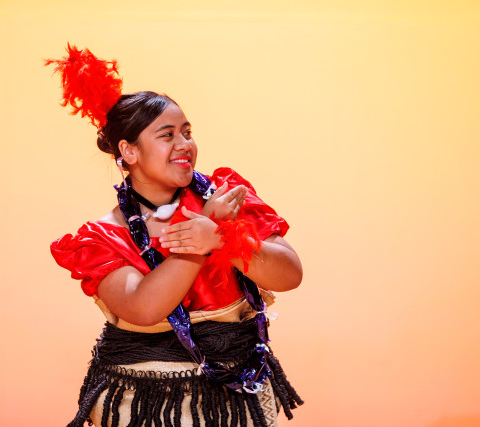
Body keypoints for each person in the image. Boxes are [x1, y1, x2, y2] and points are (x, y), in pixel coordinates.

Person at [48, 45, 304, 427]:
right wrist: (199, 242)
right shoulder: (103, 237)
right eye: (167, 135)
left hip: (237, 396)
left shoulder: (225, 196)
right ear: (129, 151)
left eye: (187, 132)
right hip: (140, 403)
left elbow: (290, 273)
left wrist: (221, 237)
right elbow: (144, 308)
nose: (185, 144)